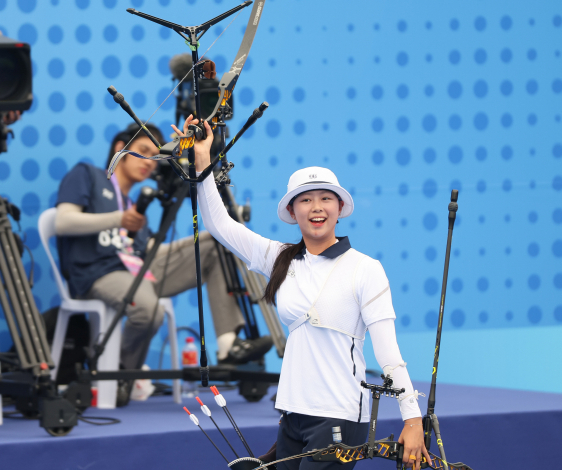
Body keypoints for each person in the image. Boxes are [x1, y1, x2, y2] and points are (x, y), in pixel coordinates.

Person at [174, 115, 431, 470]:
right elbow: (220, 225)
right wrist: (202, 159)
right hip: (292, 414)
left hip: (339, 416)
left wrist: (412, 419)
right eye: (306, 200)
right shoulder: (281, 259)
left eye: (326, 198)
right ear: (292, 212)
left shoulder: (366, 269)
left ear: (340, 209)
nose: (317, 207)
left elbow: (389, 355)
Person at [55, 123, 272, 404]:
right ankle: (120, 371)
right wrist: (118, 220)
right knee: (149, 310)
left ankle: (228, 345)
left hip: (138, 267)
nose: (148, 163)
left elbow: (144, 254)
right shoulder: (88, 176)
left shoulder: (136, 202)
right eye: (142, 152)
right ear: (120, 148)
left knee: (214, 242)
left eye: (154, 156)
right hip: (98, 270)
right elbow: (62, 221)